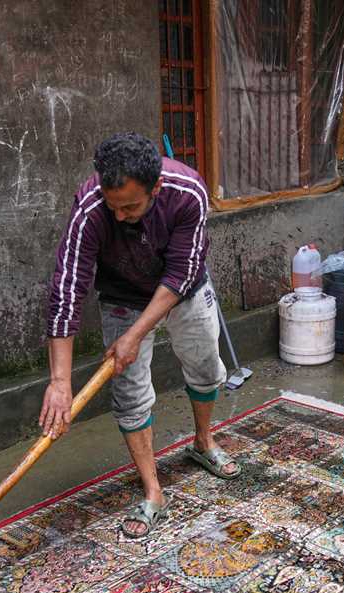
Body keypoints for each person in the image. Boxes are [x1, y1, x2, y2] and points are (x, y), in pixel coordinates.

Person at [40, 132, 241, 538]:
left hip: (183, 289)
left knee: (205, 368)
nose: (118, 216)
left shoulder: (188, 193)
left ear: (156, 188)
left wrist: (135, 335)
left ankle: (203, 442)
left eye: (130, 206)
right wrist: (60, 382)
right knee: (129, 394)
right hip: (122, 296)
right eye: (112, 205)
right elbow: (67, 288)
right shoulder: (90, 208)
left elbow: (180, 273)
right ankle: (153, 490)